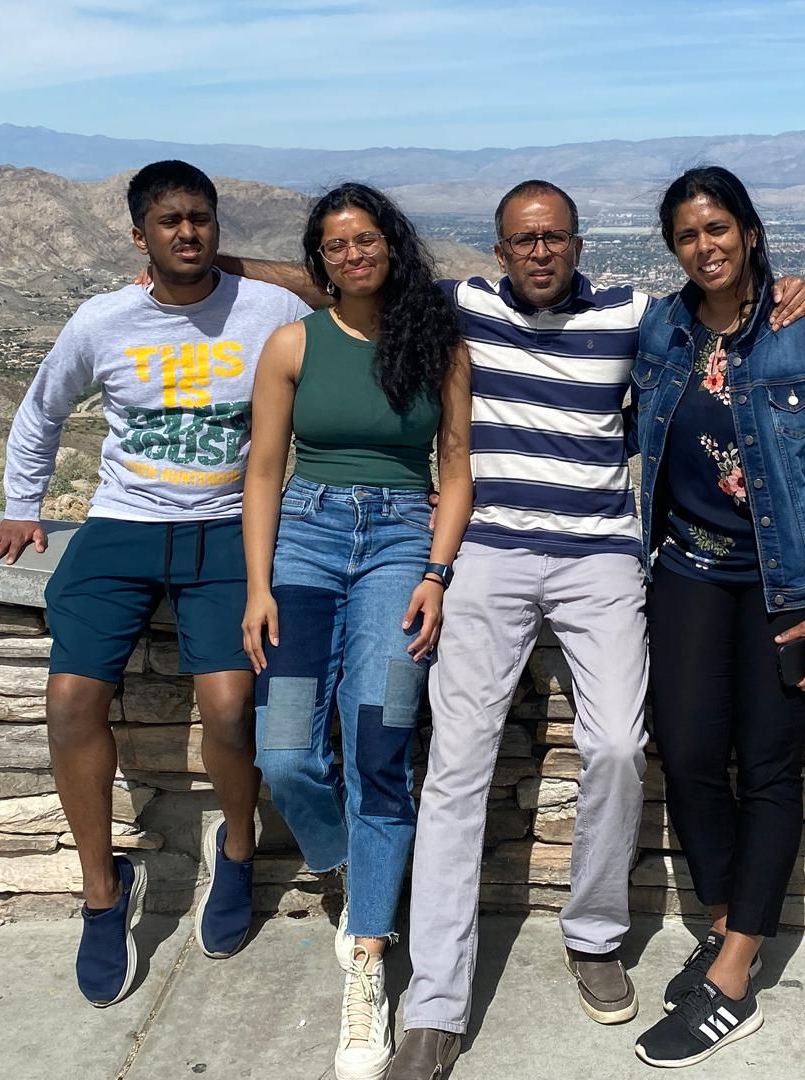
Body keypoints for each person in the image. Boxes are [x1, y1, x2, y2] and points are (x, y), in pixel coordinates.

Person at [209, 179, 805, 1080]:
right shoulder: (458, 308)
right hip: (486, 556)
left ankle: (595, 934)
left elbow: (723, 307)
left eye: (555, 238)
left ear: (577, 243)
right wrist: (213, 262)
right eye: (522, 240)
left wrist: (789, 289)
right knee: (457, 759)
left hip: (600, 561)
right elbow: (343, 279)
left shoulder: (634, 317)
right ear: (498, 251)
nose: (539, 252)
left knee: (618, 744)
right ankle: (437, 1002)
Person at [0, 160, 310, 1008]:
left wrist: (243, 269)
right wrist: (23, 506)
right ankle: (101, 892)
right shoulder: (103, 320)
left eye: (201, 219)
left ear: (219, 229)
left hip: (230, 528)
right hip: (122, 527)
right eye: (169, 221)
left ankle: (235, 854)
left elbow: (343, 281)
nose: (187, 233)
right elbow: (43, 409)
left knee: (232, 707)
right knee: (71, 701)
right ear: (138, 235)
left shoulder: (269, 308)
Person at [628, 165, 805, 1068]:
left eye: (719, 228)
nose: (706, 246)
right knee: (690, 754)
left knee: (768, 770)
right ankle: (728, 918)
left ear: (750, 231)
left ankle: (734, 978)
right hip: (689, 572)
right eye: (689, 235)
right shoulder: (662, 328)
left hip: (786, 587)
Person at [241, 182, 473, 1080]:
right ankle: (351, 863)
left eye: (365, 239)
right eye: (335, 246)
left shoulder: (435, 345)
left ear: (391, 245)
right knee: (288, 753)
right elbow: (264, 471)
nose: (352, 256)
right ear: (320, 259)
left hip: (399, 545)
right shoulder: (293, 344)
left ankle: (368, 957)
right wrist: (258, 585)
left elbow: (455, 469)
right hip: (304, 537)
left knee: (380, 742)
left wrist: (436, 573)